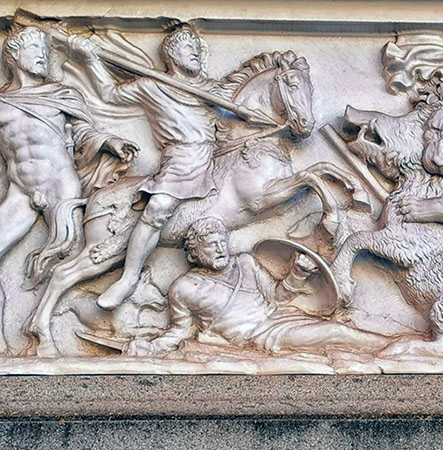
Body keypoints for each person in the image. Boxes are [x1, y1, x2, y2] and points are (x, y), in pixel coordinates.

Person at [70, 26, 234, 310]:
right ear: (170, 55)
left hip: (217, 154)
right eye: (187, 48)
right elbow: (110, 94)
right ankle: (129, 278)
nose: (195, 52)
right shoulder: (151, 86)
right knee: (158, 208)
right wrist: (91, 59)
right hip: (182, 158)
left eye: (197, 48)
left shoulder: (211, 89)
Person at [125, 217, 391, 356]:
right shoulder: (184, 288)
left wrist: (297, 273)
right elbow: (180, 331)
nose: (220, 248)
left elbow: (277, 297)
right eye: (211, 245)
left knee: (337, 329)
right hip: (258, 336)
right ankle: (390, 347)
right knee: (335, 332)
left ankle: (389, 345)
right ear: (194, 253)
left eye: (222, 242)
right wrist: (153, 347)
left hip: (280, 318)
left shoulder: (246, 263)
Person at [0, 26, 137, 282]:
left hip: (60, 185)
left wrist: (109, 141)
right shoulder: (3, 102)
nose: (43, 55)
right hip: (21, 190)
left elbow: (82, 131)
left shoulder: (61, 95)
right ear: (13, 55)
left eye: (45, 49)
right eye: (34, 48)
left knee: (74, 254)